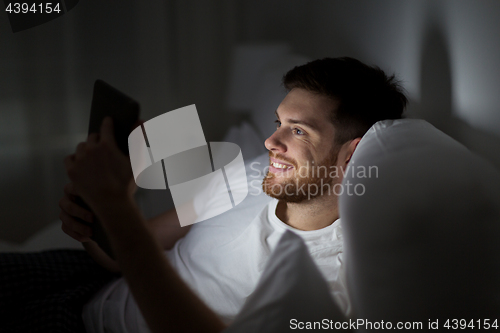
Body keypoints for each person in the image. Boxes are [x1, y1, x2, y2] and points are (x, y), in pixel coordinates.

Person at [59, 57, 407, 332]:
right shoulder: (254, 171)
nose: (272, 142)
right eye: (278, 123)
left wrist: (117, 210)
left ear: (351, 156)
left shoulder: (332, 280)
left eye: (298, 131)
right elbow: (125, 254)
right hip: (86, 296)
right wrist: (94, 225)